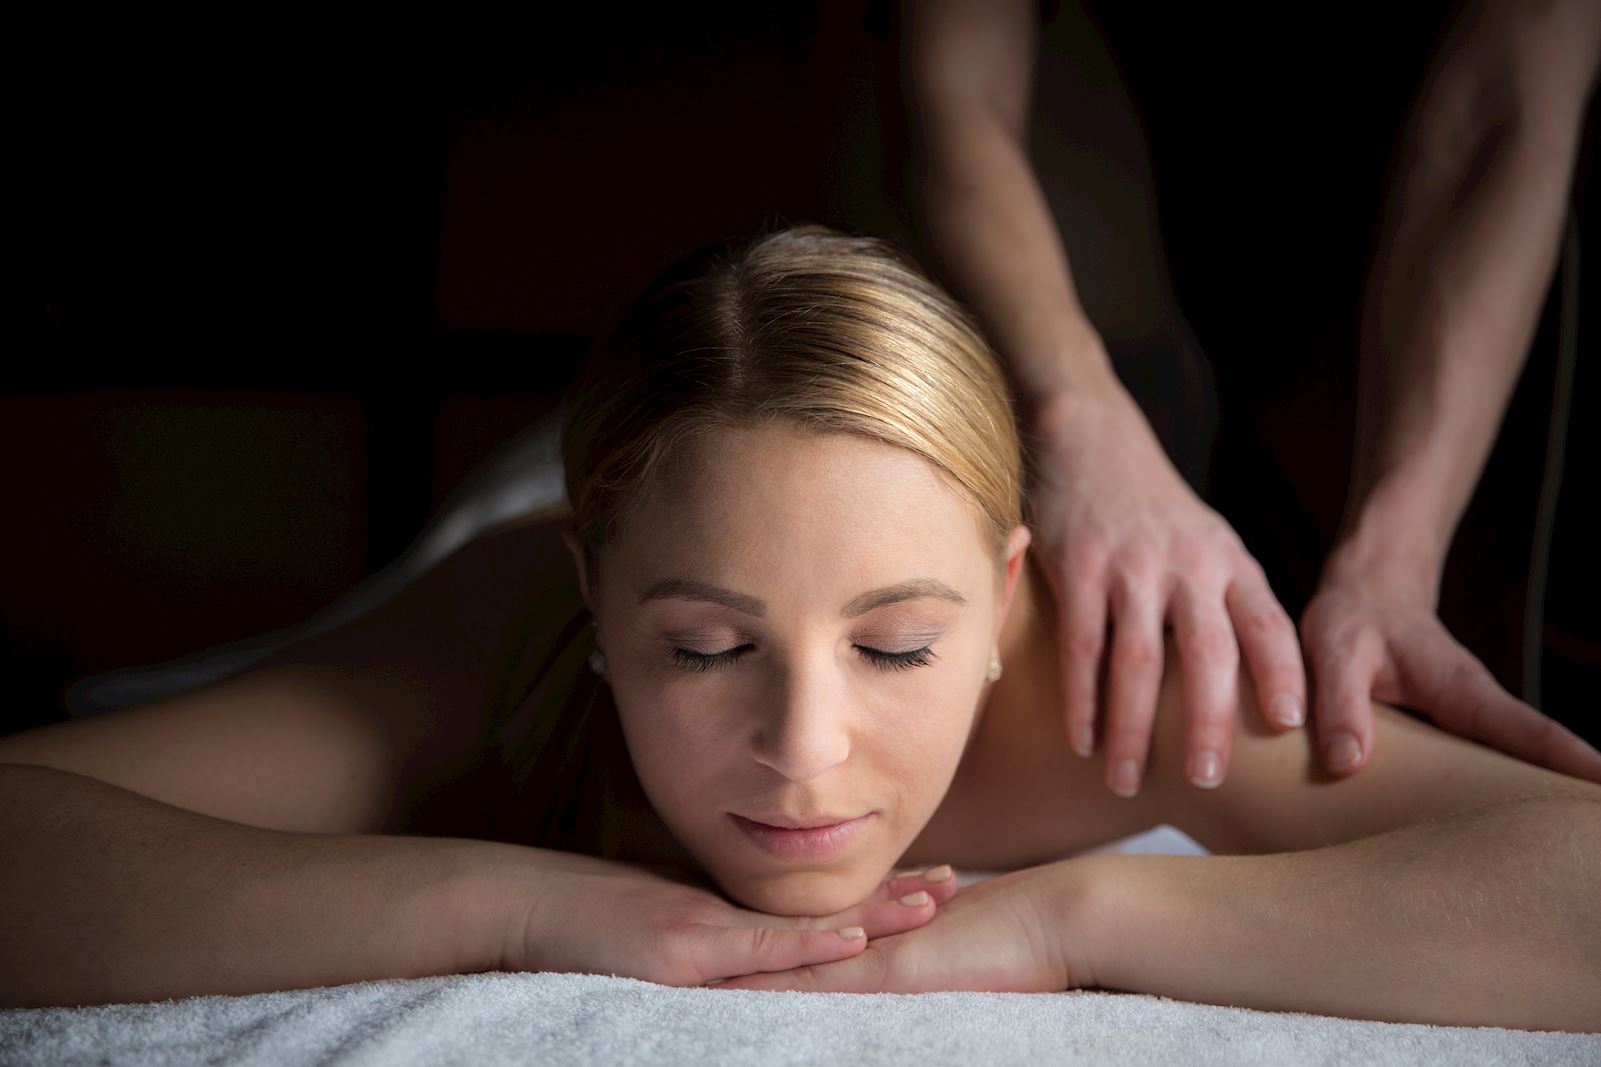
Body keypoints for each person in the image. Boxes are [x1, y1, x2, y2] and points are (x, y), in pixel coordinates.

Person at [0, 227, 1597, 1029]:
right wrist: (528, 907)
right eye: (704, 651)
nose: (806, 748)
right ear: (596, 609)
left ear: (1003, 600)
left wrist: (1069, 921)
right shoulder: (512, 636)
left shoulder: (1098, 681)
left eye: (897, 646)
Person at [900, 0, 1601, 797]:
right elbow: (955, 90)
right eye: (719, 644)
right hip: (1259, 378)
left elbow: (1498, 106)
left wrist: (1395, 563)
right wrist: (1076, 414)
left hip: (1512, 388)